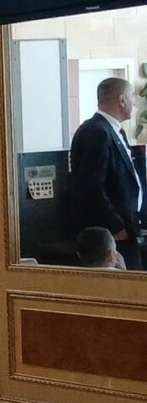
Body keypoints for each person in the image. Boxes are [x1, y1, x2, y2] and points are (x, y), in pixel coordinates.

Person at [66, 77, 143, 270]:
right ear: (121, 99)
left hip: (127, 227)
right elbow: (89, 186)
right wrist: (116, 226)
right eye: (132, 96)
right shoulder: (96, 132)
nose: (134, 102)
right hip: (112, 235)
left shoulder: (114, 131)